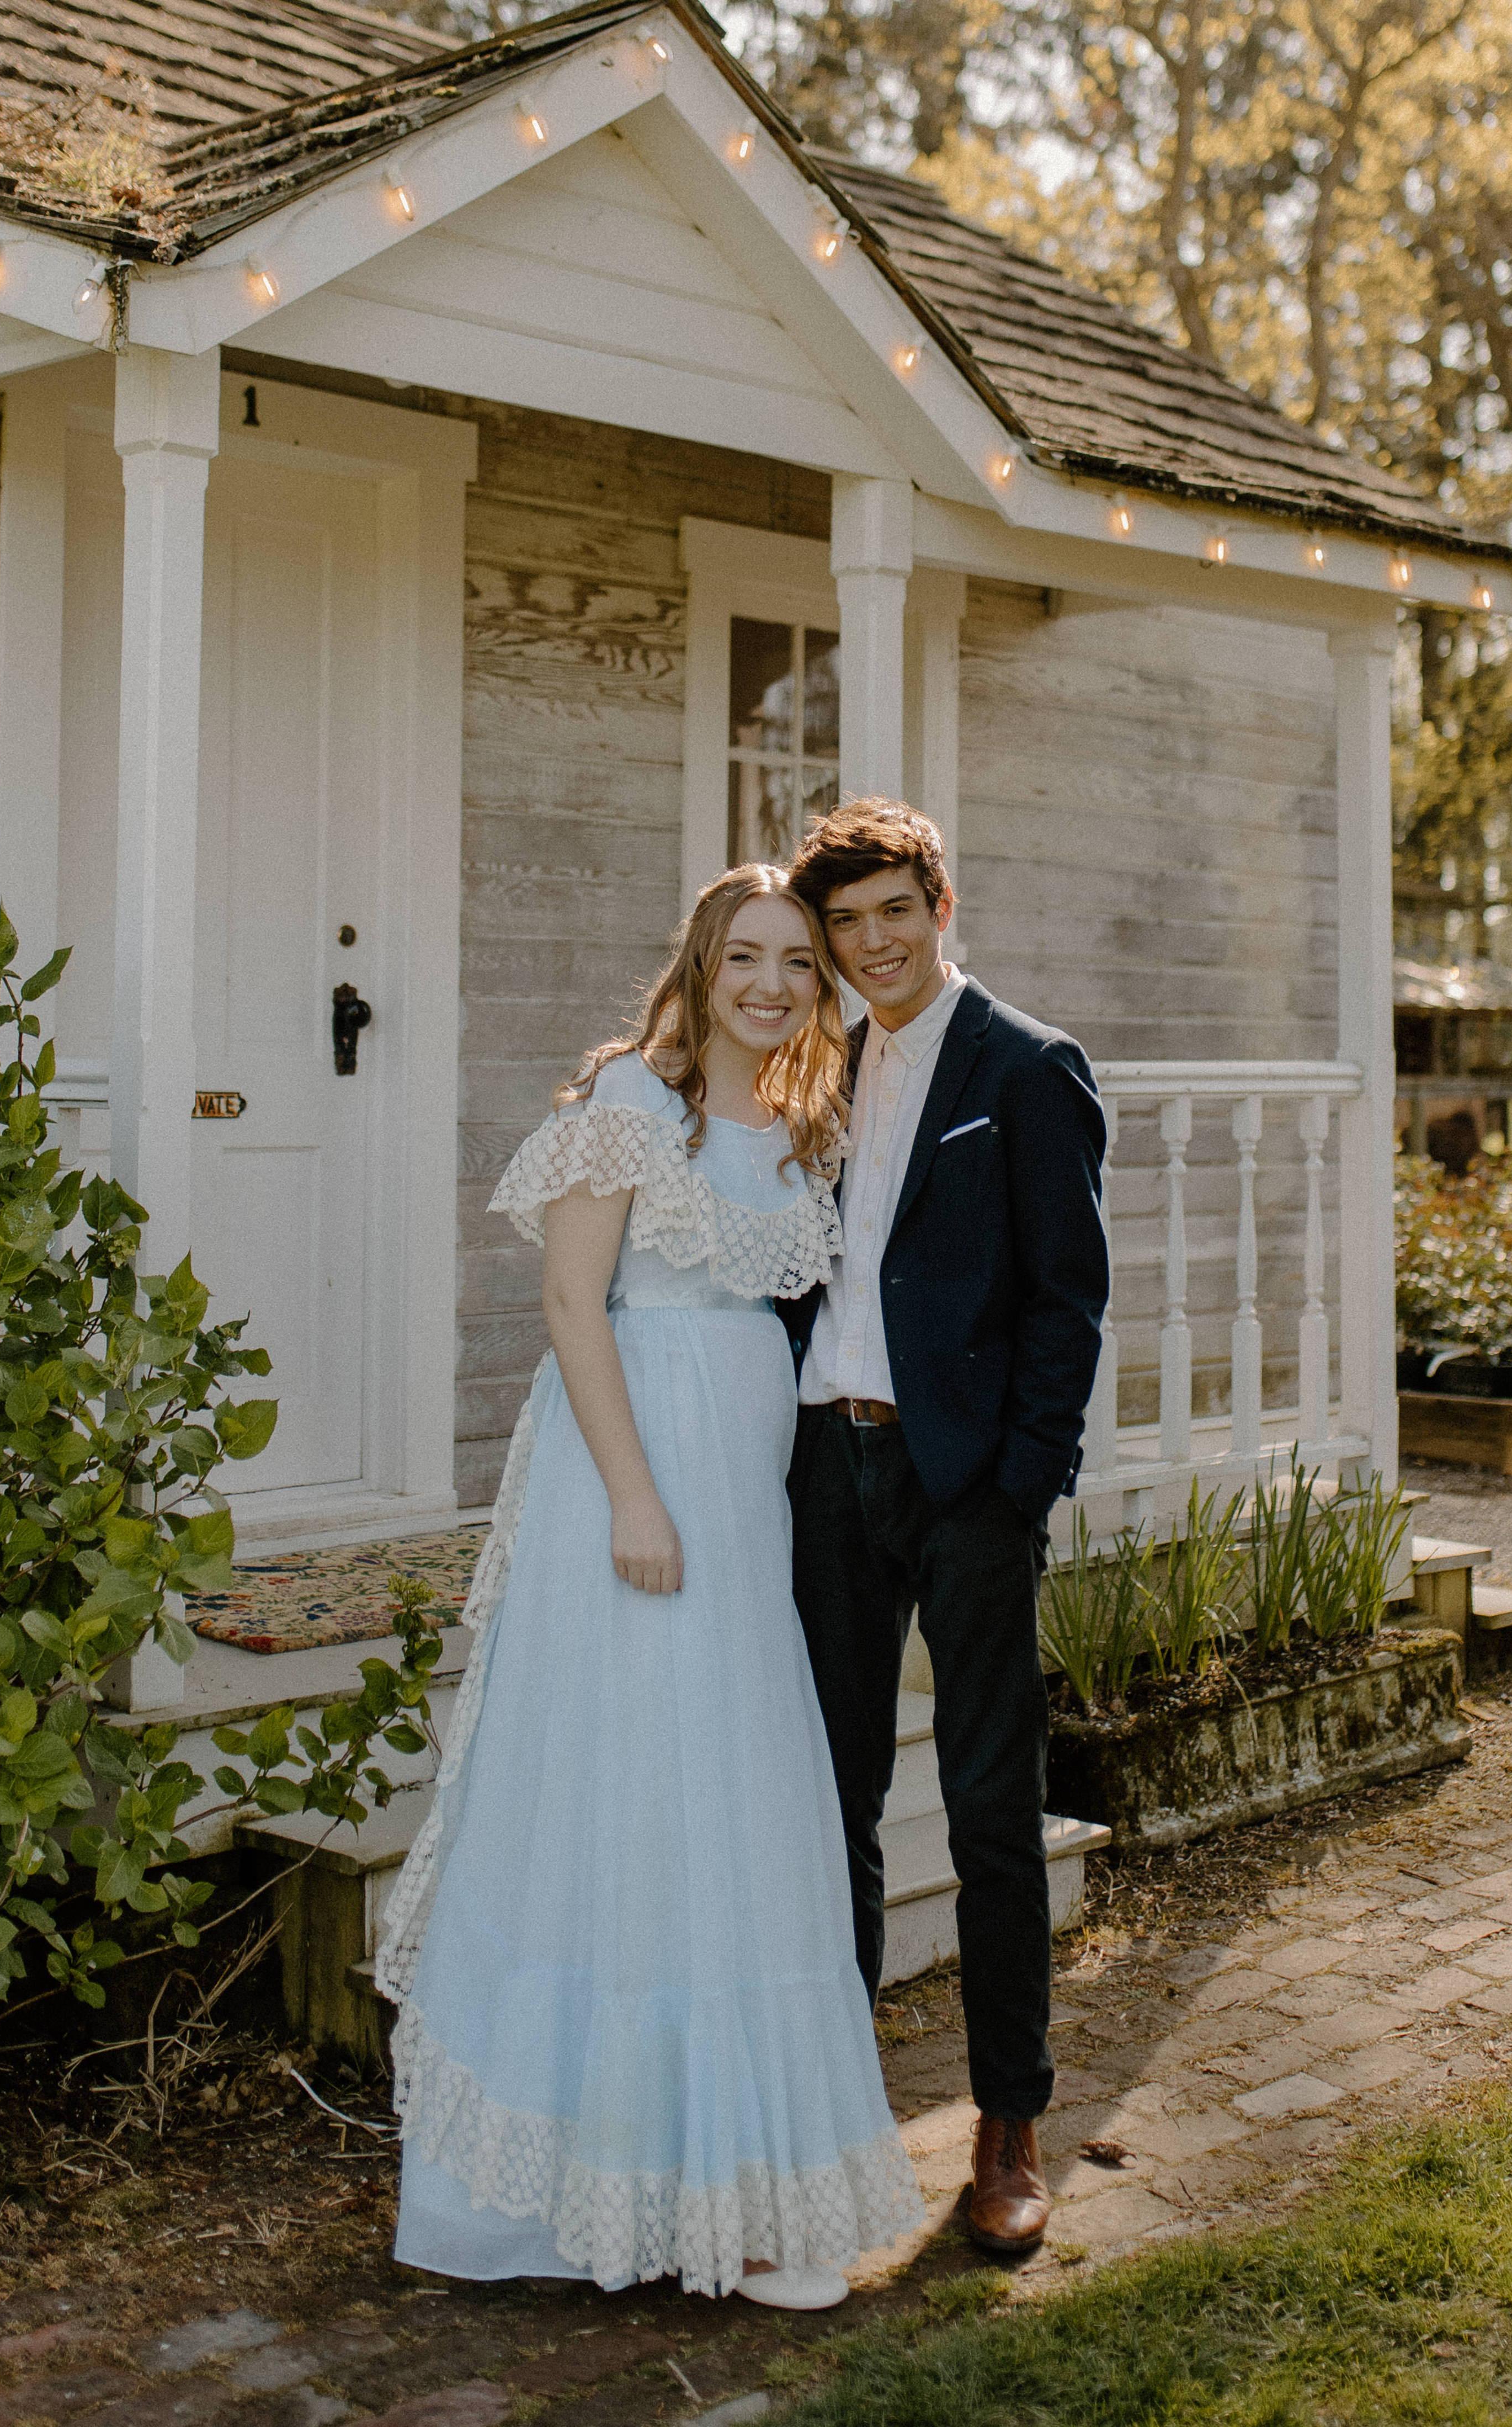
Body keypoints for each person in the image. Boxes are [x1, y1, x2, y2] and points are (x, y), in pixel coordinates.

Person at [376, 866, 920, 2310]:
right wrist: (631, 1493)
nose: (770, 982)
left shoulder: (803, 1125)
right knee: (627, 1793)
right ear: (699, 963)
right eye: (744, 955)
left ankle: (729, 2187)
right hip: (632, 1474)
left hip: (744, 1489)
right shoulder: (633, 1101)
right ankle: (586, 2185)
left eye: (796, 963)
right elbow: (570, 1305)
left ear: (818, 986)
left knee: (733, 1797)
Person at [779, 799, 1110, 2261]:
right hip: (823, 1473)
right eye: (845, 925)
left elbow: (1069, 1298)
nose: (872, 945)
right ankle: (839, 2107)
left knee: (988, 1808)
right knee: (827, 1801)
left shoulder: (1026, 1069)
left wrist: (1021, 1480)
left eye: (892, 913)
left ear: (942, 902)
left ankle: (1010, 2122)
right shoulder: (817, 1067)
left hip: (964, 1483)